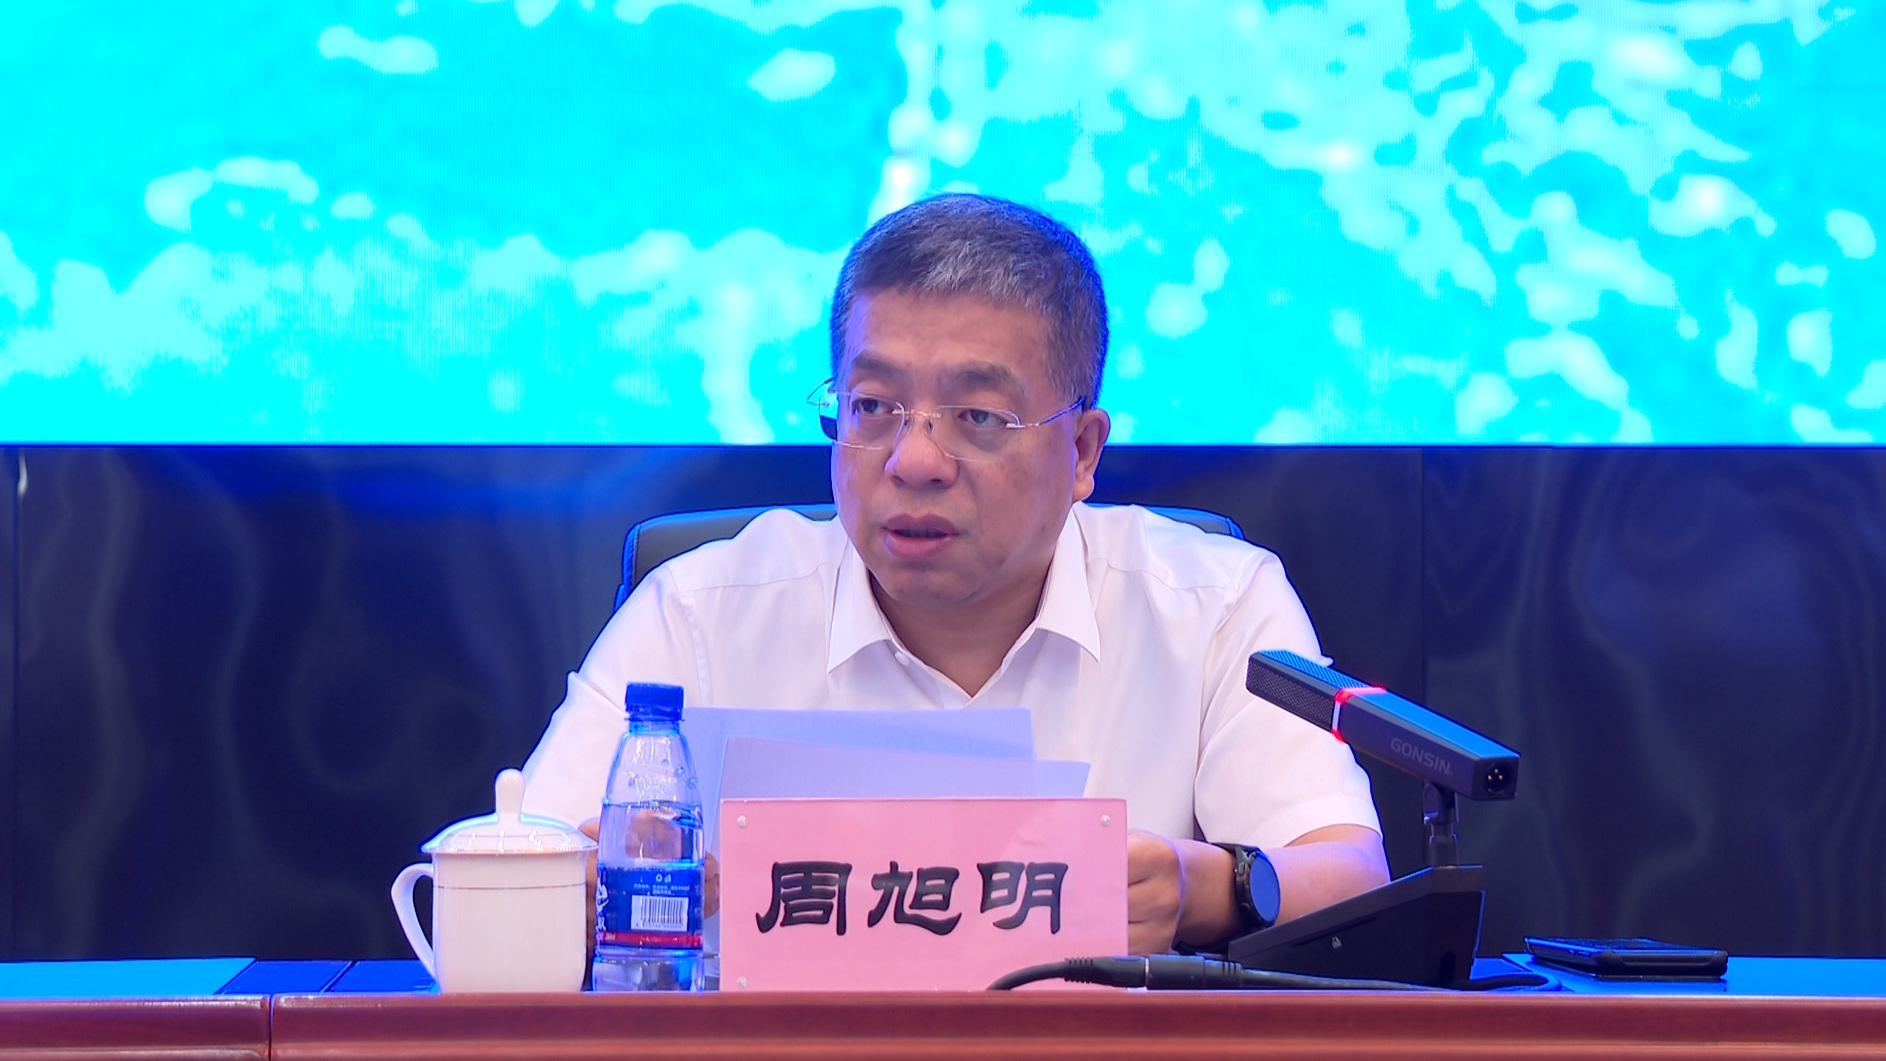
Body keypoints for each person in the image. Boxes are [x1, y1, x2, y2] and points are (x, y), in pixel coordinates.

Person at [521, 193, 1387, 954]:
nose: (915, 460)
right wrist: (582, 888)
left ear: (1083, 451)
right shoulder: (700, 613)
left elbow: (1349, 874)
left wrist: (1207, 888)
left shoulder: (1212, 605)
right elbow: (519, 871)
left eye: (977, 416)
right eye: (873, 407)